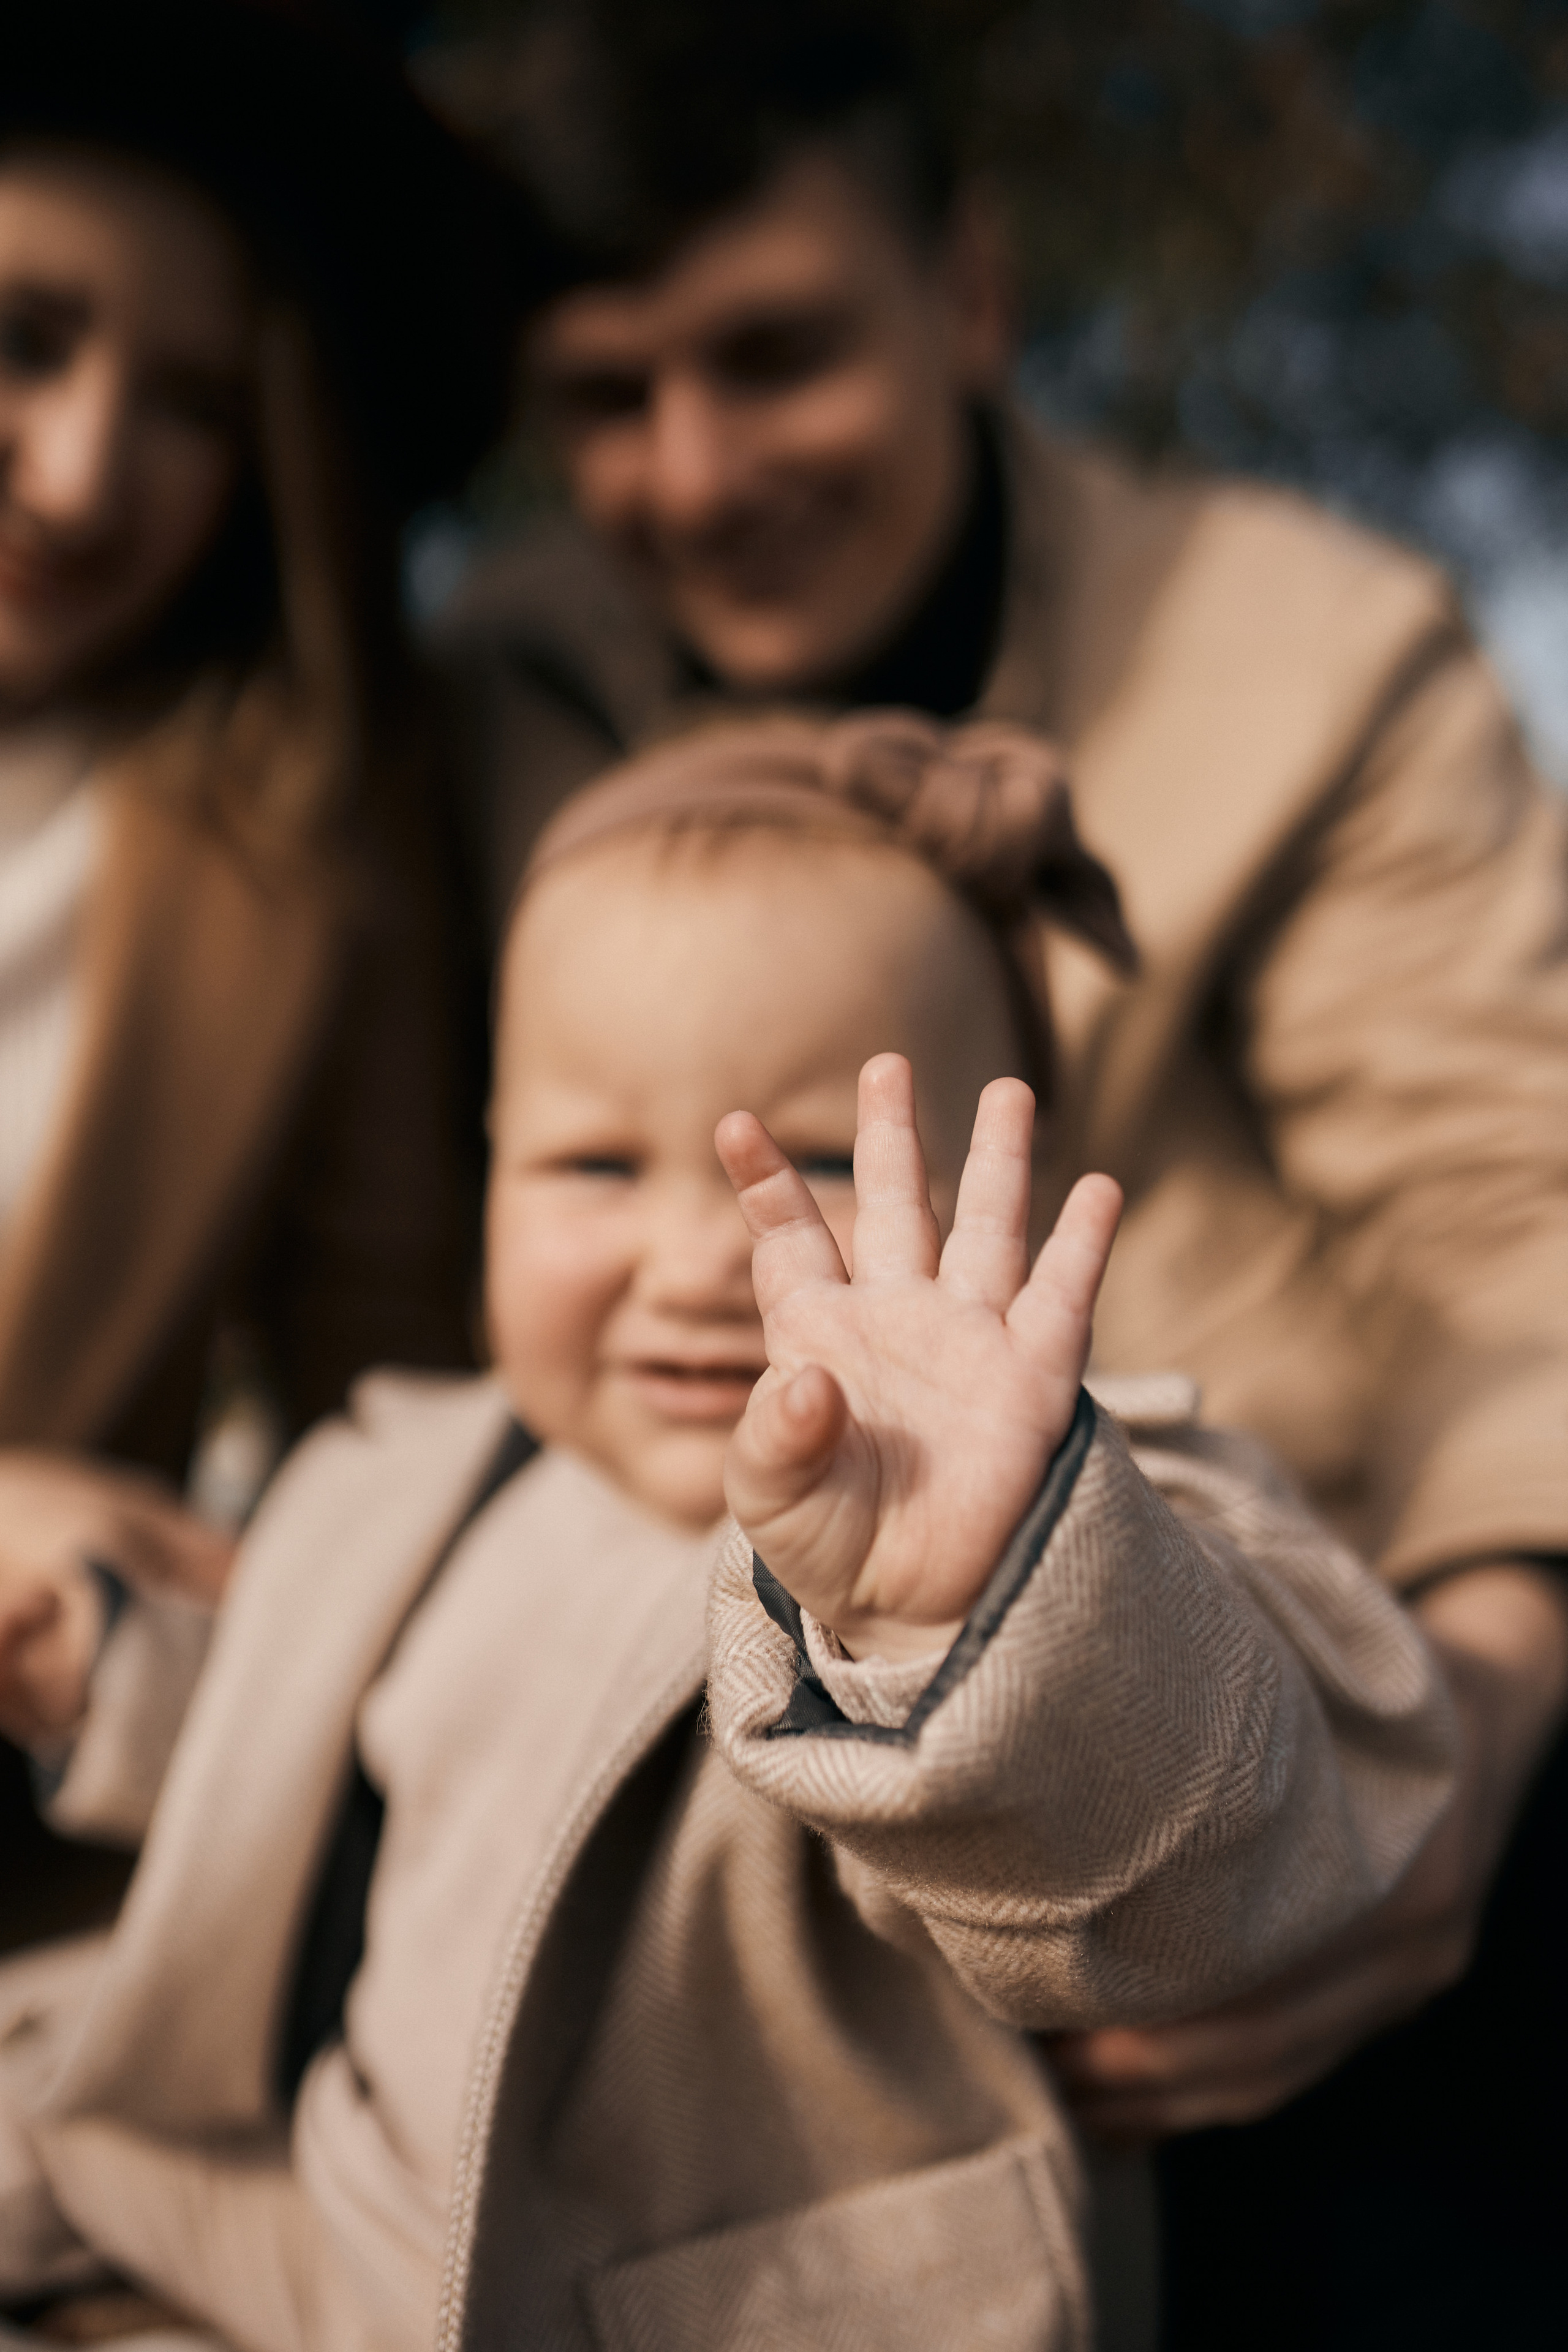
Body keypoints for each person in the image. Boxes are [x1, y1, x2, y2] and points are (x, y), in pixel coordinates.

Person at [425, 3, 1568, 2335]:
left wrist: (1475, 1739)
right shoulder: (506, 689)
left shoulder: (1309, 654)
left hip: (1283, 1658)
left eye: (777, 354)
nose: (698, 466)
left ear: (966, 292)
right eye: (606, 403)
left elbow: (1514, 1231)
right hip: (694, 1725)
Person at [0, 711, 1453, 2350]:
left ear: (1010, 1207)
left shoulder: (1066, 1508)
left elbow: (1218, 1803)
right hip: (304, 2226)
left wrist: (973, 1597)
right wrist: (117, 1674)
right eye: (592, 1163)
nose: (693, 1256)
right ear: (486, 1166)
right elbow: (335, 1747)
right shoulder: (424, 1467)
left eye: (823, 1160)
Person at [0, 0, 516, 1939]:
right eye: (21, 341)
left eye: (196, 403)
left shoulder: (302, 855)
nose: (78, 475)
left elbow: (390, 1436)